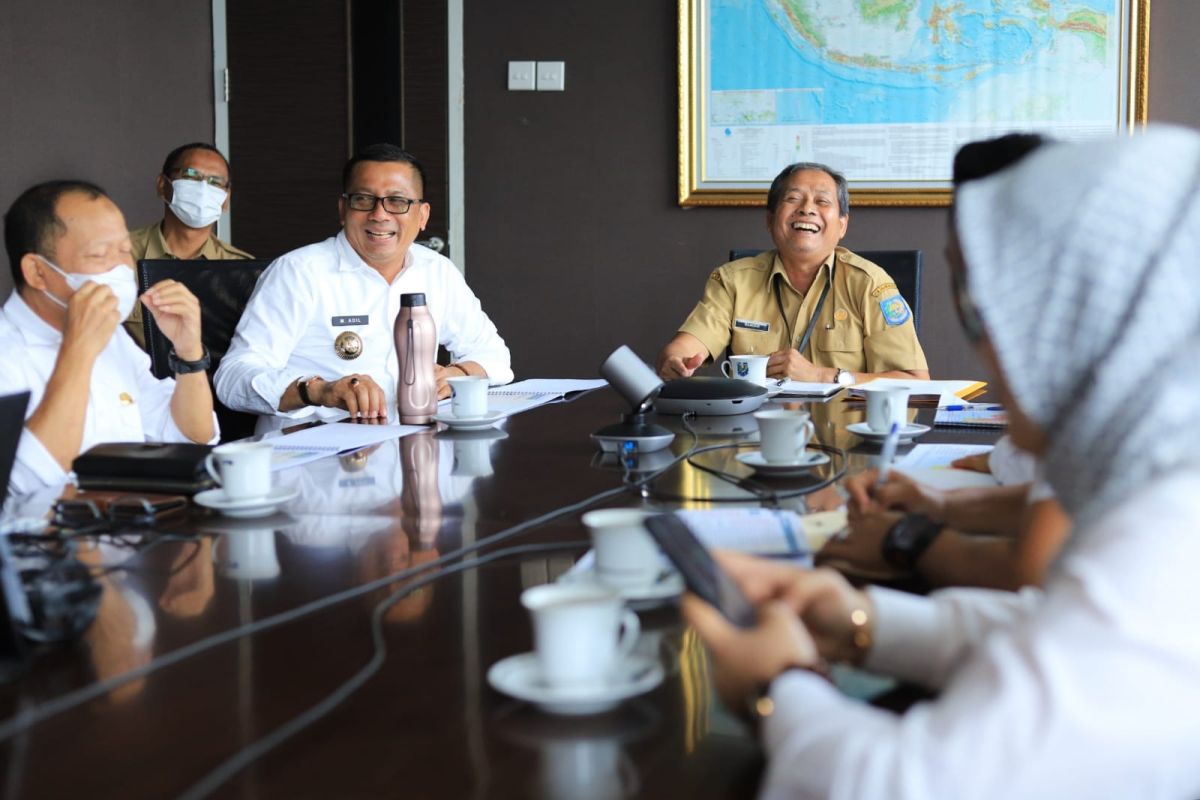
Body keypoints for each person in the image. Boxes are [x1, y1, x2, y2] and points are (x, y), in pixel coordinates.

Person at [682, 128, 1200, 798]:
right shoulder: (1153, 474)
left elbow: (906, 784)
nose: (985, 349)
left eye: (984, 308)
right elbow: (1061, 626)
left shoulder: (1170, 527)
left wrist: (778, 685)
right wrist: (864, 623)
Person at [214, 144, 512, 427]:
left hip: (408, 449)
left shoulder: (437, 271)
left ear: (422, 216)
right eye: (363, 199)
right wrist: (318, 391)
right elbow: (232, 378)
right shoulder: (298, 272)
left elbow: (495, 357)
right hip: (312, 456)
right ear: (343, 209)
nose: (380, 214)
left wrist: (456, 374)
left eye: (398, 201)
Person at [0, 181, 218, 497]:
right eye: (101, 254)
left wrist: (189, 353)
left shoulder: (113, 336)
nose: (120, 268)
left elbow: (192, 438)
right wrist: (78, 351)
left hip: (129, 525)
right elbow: (26, 482)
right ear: (37, 272)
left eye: (125, 251)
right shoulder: (8, 352)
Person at [657, 162, 929, 384]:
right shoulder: (733, 281)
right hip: (755, 437)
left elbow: (915, 381)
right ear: (770, 220)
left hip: (847, 439)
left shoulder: (869, 284)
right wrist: (675, 361)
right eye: (793, 198)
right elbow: (685, 346)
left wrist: (822, 375)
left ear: (842, 226)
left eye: (822, 201)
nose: (807, 209)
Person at [123, 143, 253, 349]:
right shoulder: (117, 256)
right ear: (162, 184)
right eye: (191, 176)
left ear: (226, 199)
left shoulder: (243, 271)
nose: (203, 188)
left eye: (215, 182)